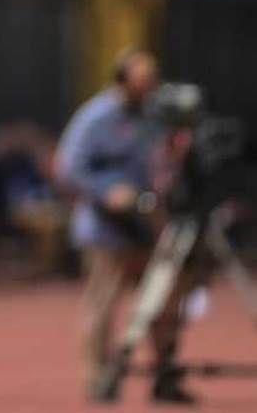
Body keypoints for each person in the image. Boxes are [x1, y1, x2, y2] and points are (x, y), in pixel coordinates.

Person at [56, 50, 194, 403]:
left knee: (163, 305)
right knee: (103, 305)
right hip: (107, 229)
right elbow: (68, 167)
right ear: (123, 81)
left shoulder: (155, 115)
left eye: (153, 80)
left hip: (149, 224)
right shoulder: (96, 117)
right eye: (143, 81)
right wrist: (106, 192)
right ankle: (101, 378)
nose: (150, 87)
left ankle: (165, 376)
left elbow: (167, 161)